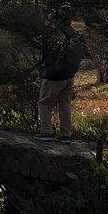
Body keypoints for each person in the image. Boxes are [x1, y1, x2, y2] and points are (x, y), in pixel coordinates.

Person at [35, 8, 85, 142]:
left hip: (53, 76)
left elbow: (46, 54)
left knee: (44, 103)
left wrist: (42, 69)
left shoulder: (54, 35)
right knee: (65, 104)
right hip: (69, 75)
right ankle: (65, 134)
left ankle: (46, 132)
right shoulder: (75, 34)